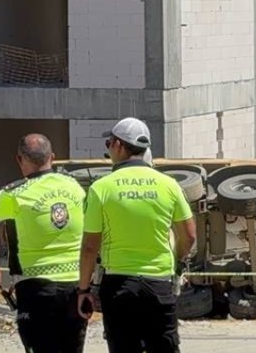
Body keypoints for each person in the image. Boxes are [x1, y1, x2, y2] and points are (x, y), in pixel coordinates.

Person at [78, 118, 196, 353]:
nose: (108, 148)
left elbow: (90, 246)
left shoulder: (102, 187)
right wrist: (176, 261)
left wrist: (83, 290)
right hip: (160, 283)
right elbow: (189, 235)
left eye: (108, 142)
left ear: (119, 145)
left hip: (120, 285)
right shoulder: (169, 185)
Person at [0, 133, 88, 353]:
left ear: (19, 159)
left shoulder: (11, 194)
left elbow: (1, 237)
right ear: (52, 157)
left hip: (34, 287)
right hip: (74, 285)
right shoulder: (75, 187)